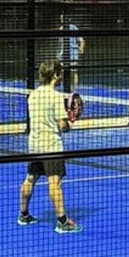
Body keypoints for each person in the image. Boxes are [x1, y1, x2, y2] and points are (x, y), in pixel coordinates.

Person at [17, 63, 81, 233]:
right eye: (59, 74)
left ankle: (23, 215)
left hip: (34, 144)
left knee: (30, 178)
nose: (61, 77)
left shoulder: (33, 96)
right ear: (55, 75)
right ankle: (63, 222)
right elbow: (61, 125)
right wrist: (70, 121)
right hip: (51, 145)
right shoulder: (55, 96)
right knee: (55, 182)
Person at [59, 19, 85, 93]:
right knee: (69, 72)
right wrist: (81, 49)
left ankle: (73, 89)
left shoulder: (72, 28)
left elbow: (81, 40)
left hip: (72, 53)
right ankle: (72, 89)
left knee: (71, 72)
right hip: (66, 53)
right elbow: (81, 40)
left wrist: (81, 48)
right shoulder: (62, 28)